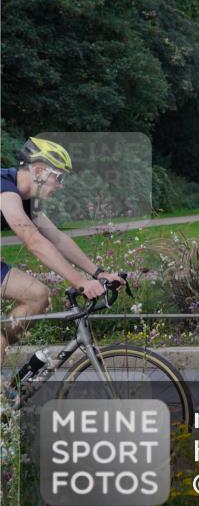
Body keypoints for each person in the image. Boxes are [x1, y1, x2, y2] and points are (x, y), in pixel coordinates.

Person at [1, 137, 125, 363]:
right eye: (59, 177)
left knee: (37, 296)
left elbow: (57, 238)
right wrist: (80, 282)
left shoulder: (27, 199)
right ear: (38, 170)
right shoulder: (5, 188)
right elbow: (33, 240)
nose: (61, 185)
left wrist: (98, 273)